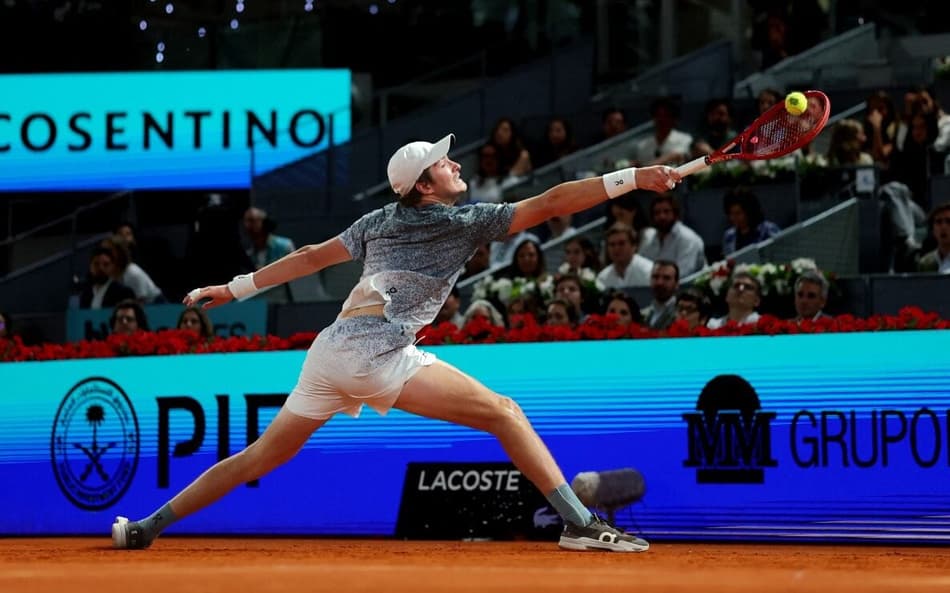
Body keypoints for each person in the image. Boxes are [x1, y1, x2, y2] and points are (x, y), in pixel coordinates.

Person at [111, 132, 681, 553]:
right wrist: (634, 177)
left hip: (330, 350)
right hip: (375, 352)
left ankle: (146, 527)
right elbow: (551, 203)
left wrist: (231, 289)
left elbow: (310, 258)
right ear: (425, 185)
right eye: (443, 162)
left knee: (261, 456)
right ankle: (580, 524)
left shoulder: (377, 220)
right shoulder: (462, 223)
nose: (455, 163)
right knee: (505, 414)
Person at [639, 193, 706, 278]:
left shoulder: (688, 239)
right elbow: (640, 268)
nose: (662, 216)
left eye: (666, 211)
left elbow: (683, 274)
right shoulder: (649, 238)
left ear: (675, 214)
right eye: (657, 213)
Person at [721, 187, 781, 256]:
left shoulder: (768, 230)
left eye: (738, 213)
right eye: (731, 214)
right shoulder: (729, 236)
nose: (733, 218)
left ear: (749, 212)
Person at [639, 260, 679, 330]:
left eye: (666, 278)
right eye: (655, 277)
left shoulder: (682, 314)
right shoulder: (641, 314)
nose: (659, 283)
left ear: (676, 284)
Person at [917, 201, 950, 274]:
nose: (943, 227)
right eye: (938, 222)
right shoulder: (925, 263)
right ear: (933, 230)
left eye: (948, 221)